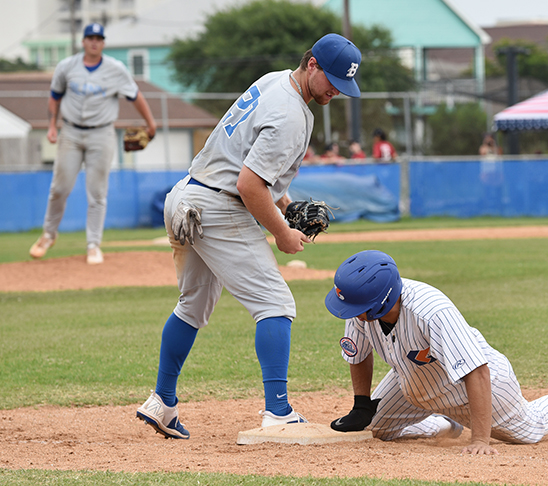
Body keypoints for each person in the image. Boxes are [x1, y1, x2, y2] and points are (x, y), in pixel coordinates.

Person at [135, 33, 362, 439]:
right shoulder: (292, 115)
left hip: (188, 195)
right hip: (219, 207)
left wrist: (286, 206)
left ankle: (162, 401)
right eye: (331, 80)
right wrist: (282, 233)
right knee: (276, 302)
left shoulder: (273, 81)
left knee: (193, 305)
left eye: (342, 86)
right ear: (312, 64)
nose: (335, 91)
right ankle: (278, 412)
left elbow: (251, 165)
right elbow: (250, 185)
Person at [325, 250, 548, 454]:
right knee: (377, 428)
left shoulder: (431, 311)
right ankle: (444, 423)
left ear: (380, 302)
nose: (349, 313)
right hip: (415, 380)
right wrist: (362, 404)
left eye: (356, 308)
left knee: (530, 430)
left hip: (478, 385)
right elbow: (359, 353)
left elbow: (477, 371)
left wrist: (480, 438)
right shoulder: (362, 308)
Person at [29, 23, 157, 265]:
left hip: (102, 134)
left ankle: (93, 245)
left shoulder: (115, 69)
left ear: (103, 43)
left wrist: (151, 124)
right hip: (71, 133)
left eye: (99, 38)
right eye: (90, 37)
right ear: (83, 41)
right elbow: (54, 97)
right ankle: (48, 234)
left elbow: (135, 95)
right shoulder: (67, 67)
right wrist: (52, 126)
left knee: (97, 192)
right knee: (60, 187)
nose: (94, 42)